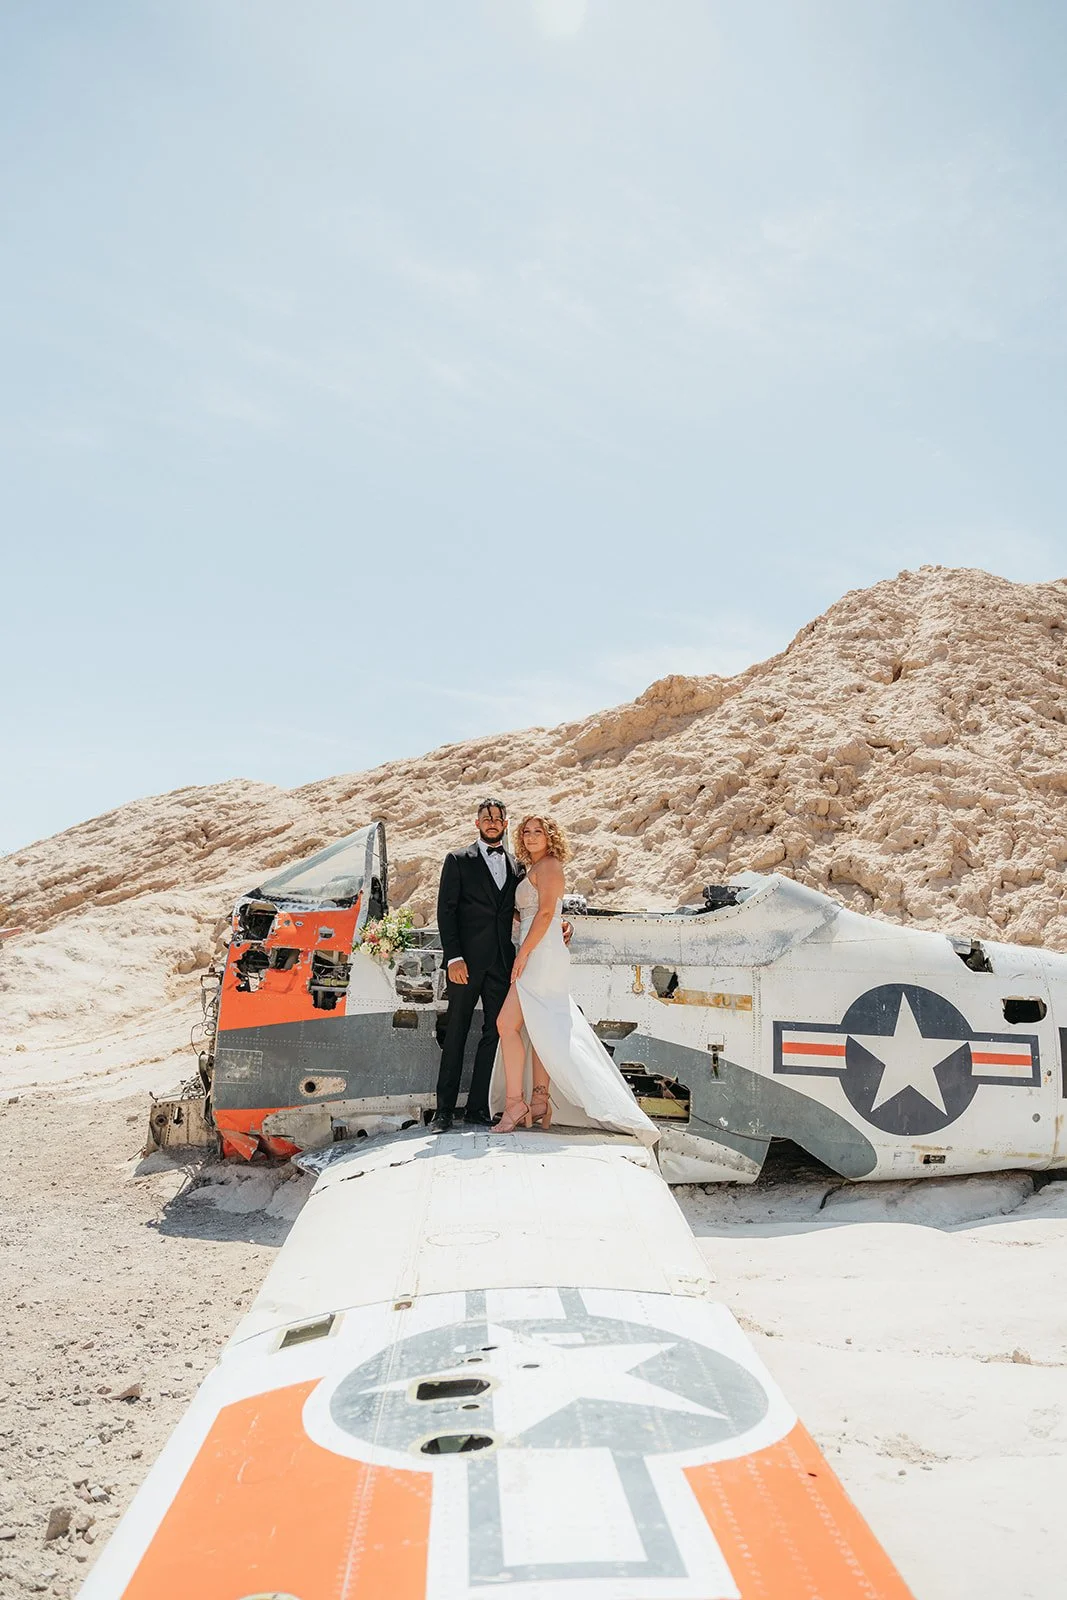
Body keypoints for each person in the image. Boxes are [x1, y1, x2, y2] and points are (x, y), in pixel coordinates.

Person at [491, 815, 658, 1146]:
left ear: (551, 836)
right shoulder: (534, 868)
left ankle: (515, 1104)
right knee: (540, 1026)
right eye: (526, 832)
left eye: (538, 831)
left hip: (541, 952)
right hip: (538, 946)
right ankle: (539, 1101)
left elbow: (546, 914)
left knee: (506, 1024)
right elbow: (535, 913)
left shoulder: (551, 865)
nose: (531, 836)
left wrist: (524, 954)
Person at [431, 798, 525, 1132]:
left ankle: (477, 1108)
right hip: (465, 964)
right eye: (487, 817)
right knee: (456, 1032)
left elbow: (522, 909)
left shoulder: (516, 866)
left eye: (498, 818)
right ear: (477, 823)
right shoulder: (458, 860)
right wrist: (453, 957)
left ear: (505, 824)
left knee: (495, 1033)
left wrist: (561, 923)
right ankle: (443, 1111)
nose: (492, 822)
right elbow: (446, 911)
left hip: (501, 964)